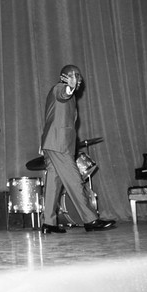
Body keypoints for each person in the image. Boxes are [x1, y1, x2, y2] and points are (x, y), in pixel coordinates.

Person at [40, 65, 116, 233]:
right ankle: (91, 220)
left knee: (53, 183)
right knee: (75, 181)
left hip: (53, 143)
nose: (79, 80)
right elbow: (64, 93)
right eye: (75, 76)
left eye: (79, 78)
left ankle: (49, 223)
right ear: (64, 77)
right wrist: (70, 87)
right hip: (59, 144)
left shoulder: (68, 96)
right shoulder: (59, 88)